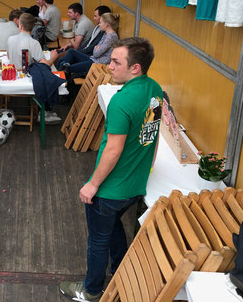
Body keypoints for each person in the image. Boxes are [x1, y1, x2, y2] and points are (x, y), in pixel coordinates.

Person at [59, 37, 163, 302]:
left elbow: (113, 150)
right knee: (113, 225)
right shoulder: (154, 89)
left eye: (116, 62)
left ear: (135, 68)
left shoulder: (121, 101)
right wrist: (147, 166)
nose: (109, 66)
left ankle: (91, 291)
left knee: (97, 240)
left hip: (111, 190)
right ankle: (119, 270)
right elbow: (153, 131)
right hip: (136, 185)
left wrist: (93, 184)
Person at [6, 13, 61, 124]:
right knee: (48, 74)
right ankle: (45, 111)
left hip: (12, 74)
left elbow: (8, 56)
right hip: (26, 76)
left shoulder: (10, 39)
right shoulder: (33, 43)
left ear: (20, 26)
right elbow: (45, 64)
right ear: (32, 27)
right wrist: (53, 58)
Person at [55, 13, 120, 77]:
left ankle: (61, 76)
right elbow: (97, 49)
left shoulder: (111, 37)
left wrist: (96, 48)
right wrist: (97, 48)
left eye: (100, 23)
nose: (99, 24)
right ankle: (64, 66)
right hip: (93, 59)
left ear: (106, 24)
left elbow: (96, 53)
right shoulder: (106, 34)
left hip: (97, 64)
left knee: (68, 68)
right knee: (71, 52)